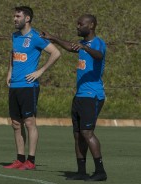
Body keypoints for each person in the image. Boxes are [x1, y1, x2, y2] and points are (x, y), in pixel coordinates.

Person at [41, 14, 107, 181]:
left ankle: (100, 172)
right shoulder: (83, 44)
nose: (77, 26)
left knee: (87, 132)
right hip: (80, 96)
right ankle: (81, 171)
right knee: (78, 134)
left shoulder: (97, 42)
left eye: (80, 24)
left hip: (92, 95)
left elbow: (99, 55)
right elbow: (71, 47)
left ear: (91, 25)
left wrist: (85, 48)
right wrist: (53, 38)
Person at [4, 6, 61, 170]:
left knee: (29, 122)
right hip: (14, 85)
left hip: (29, 86)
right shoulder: (14, 36)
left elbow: (56, 53)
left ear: (27, 18)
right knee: (16, 123)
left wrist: (40, 71)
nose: (14, 19)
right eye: (14, 16)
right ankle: (20, 159)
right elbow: (13, 54)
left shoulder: (35, 36)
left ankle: (31, 161)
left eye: (17, 16)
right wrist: (9, 72)